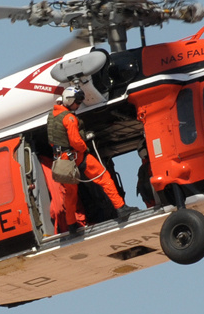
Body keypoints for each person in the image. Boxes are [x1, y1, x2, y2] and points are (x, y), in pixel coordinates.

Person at [47, 85, 138, 225]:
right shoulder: (69, 118)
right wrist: (85, 147)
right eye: (77, 102)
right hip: (77, 156)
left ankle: (71, 224)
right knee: (103, 177)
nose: (78, 105)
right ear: (69, 100)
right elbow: (76, 142)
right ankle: (121, 208)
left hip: (62, 161)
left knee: (70, 195)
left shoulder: (52, 116)